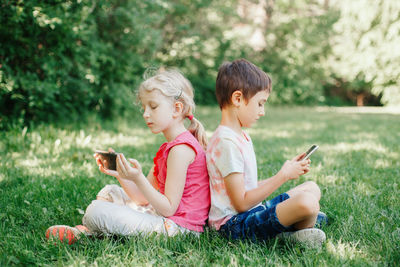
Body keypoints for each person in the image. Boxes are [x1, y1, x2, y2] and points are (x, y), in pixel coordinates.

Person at [46, 69, 211, 244]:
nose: (145, 114)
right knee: (109, 192)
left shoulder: (181, 150)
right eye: (144, 107)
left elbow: (169, 208)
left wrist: (139, 178)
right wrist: (122, 174)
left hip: (178, 230)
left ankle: (88, 233)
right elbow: (141, 199)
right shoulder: (168, 148)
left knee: (97, 210)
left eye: (153, 107)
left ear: (176, 109)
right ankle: (92, 231)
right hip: (164, 218)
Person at [206, 59, 327, 248]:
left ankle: (293, 226)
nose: (262, 111)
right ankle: (286, 235)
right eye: (260, 103)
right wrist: (282, 176)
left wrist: (287, 173)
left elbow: (247, 189)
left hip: (251, 212)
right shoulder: (226, 143)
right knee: (307, 203)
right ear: (237, 99)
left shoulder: (239, 136)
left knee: (311, 188)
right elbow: (241, 204)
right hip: (234, 226)